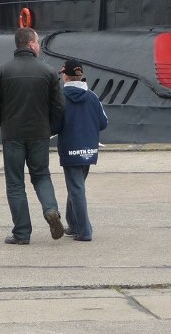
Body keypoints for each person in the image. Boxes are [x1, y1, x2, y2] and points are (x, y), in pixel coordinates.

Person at [0, 27, 65, 245]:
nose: (39, 45)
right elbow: (59, 106)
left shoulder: (2, 71)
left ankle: (21, 233)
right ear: (30, 44)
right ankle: (51, 210)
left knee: (15, 183)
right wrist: (50, 127)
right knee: (41, 176)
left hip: (13, 134)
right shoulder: (48, 72)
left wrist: (4, 122)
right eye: (38, 42)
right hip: (39, 133)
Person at [55, 58, 108, 242]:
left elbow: (55, 125)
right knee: (76, 186)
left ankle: (84, 230)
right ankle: (74, 223)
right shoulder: (92, 96)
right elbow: (103, 123)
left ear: (65, 76)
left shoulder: (61, 97)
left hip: (70, 149)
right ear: (81, 75)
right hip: (89, 150)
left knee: (76, 188)